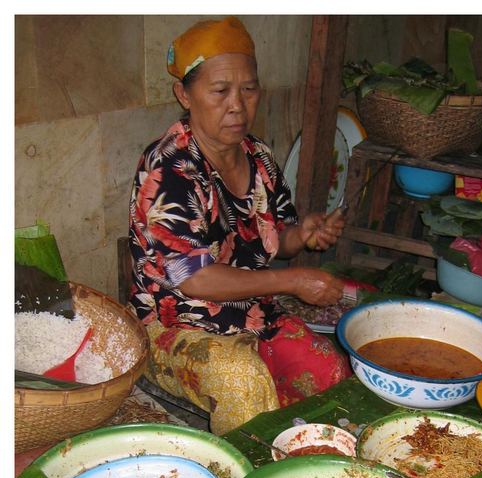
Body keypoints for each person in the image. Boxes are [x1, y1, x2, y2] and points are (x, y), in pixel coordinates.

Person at [128, 16, 352, 434]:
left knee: (329, 370)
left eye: (249, 89)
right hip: (174, 326)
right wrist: (293, 281)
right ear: (185, 94)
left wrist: (301, 234)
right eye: (220, 91)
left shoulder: (257, 155)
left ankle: (309, 465)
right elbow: (194, 280)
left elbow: (277, 239)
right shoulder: (169, 167)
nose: (237, 104)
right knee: (243, 381)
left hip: (252, 313)